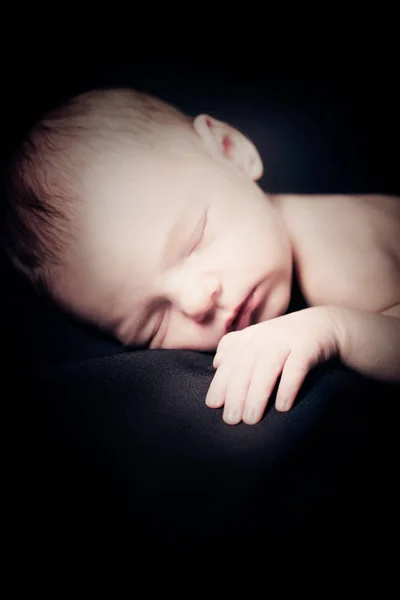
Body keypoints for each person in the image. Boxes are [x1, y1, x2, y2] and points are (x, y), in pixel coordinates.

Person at [1, 88, 399, 426]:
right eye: (152, 323)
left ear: (231, 151)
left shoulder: (338, 261)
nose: (196, 302)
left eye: (194, 242)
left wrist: (336, 330)